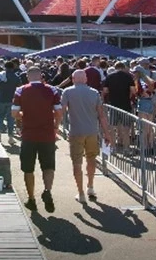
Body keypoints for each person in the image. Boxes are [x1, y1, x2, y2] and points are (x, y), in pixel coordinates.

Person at [12, 65, 63, 213]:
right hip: (47, 135)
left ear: (28, 77)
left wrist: (24, 116)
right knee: (48, 166)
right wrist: (55, 126)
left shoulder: (20, 90)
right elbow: (59, 112)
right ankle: (47, 191)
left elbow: (14, 113)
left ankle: (31, 199)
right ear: (41, 76)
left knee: (28, 169)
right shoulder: (52, 90)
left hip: (28, 135)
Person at [62, 69, 111, 203]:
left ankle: (81, 192)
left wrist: (56, 128)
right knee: (91, 159)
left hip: (76, 131)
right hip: (92, 132)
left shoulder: (67, 92)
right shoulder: (94, 93)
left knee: (77, 162)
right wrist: (107, 134)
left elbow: (62, 111)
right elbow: (102, 115)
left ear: (73, 79)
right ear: (86, 79)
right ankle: (90, 185)